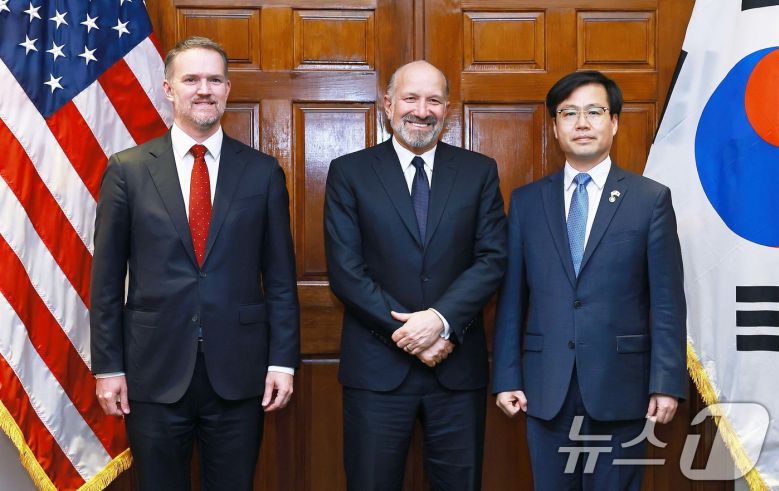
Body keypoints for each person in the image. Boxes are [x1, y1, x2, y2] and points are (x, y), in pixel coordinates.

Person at [90, 36, 299, 490]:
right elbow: (105, 281)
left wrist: (282, 361)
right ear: (168, 89)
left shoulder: (263, 173)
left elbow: (281, 279)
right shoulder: (127, 170)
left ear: (227, 89)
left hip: (240, 374)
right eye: (191, 79)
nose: (203, 89)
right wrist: (108, 368)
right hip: (153, 373)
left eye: (214, 79)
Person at [492, 70, 687, 490]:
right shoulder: (527, 202)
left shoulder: (649, 199)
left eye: (595, 111)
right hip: (544, 389)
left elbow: (667, 302)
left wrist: (666, 383)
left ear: (614, 122)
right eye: (569, 113)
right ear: (556, 126)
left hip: (622, 389)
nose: (582, 123)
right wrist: (507, 375)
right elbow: (512, 300)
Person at [324, 60, 506, 490]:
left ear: (447, 108)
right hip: (376, 371)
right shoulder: (350, 172)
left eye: (433, 100)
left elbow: (492, 259)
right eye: (410, 98)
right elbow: (347, 272)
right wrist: (409, 333)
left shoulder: (479, 171)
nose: (421, 110)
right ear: (388, 105)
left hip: (456, 366)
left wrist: (440, 321)